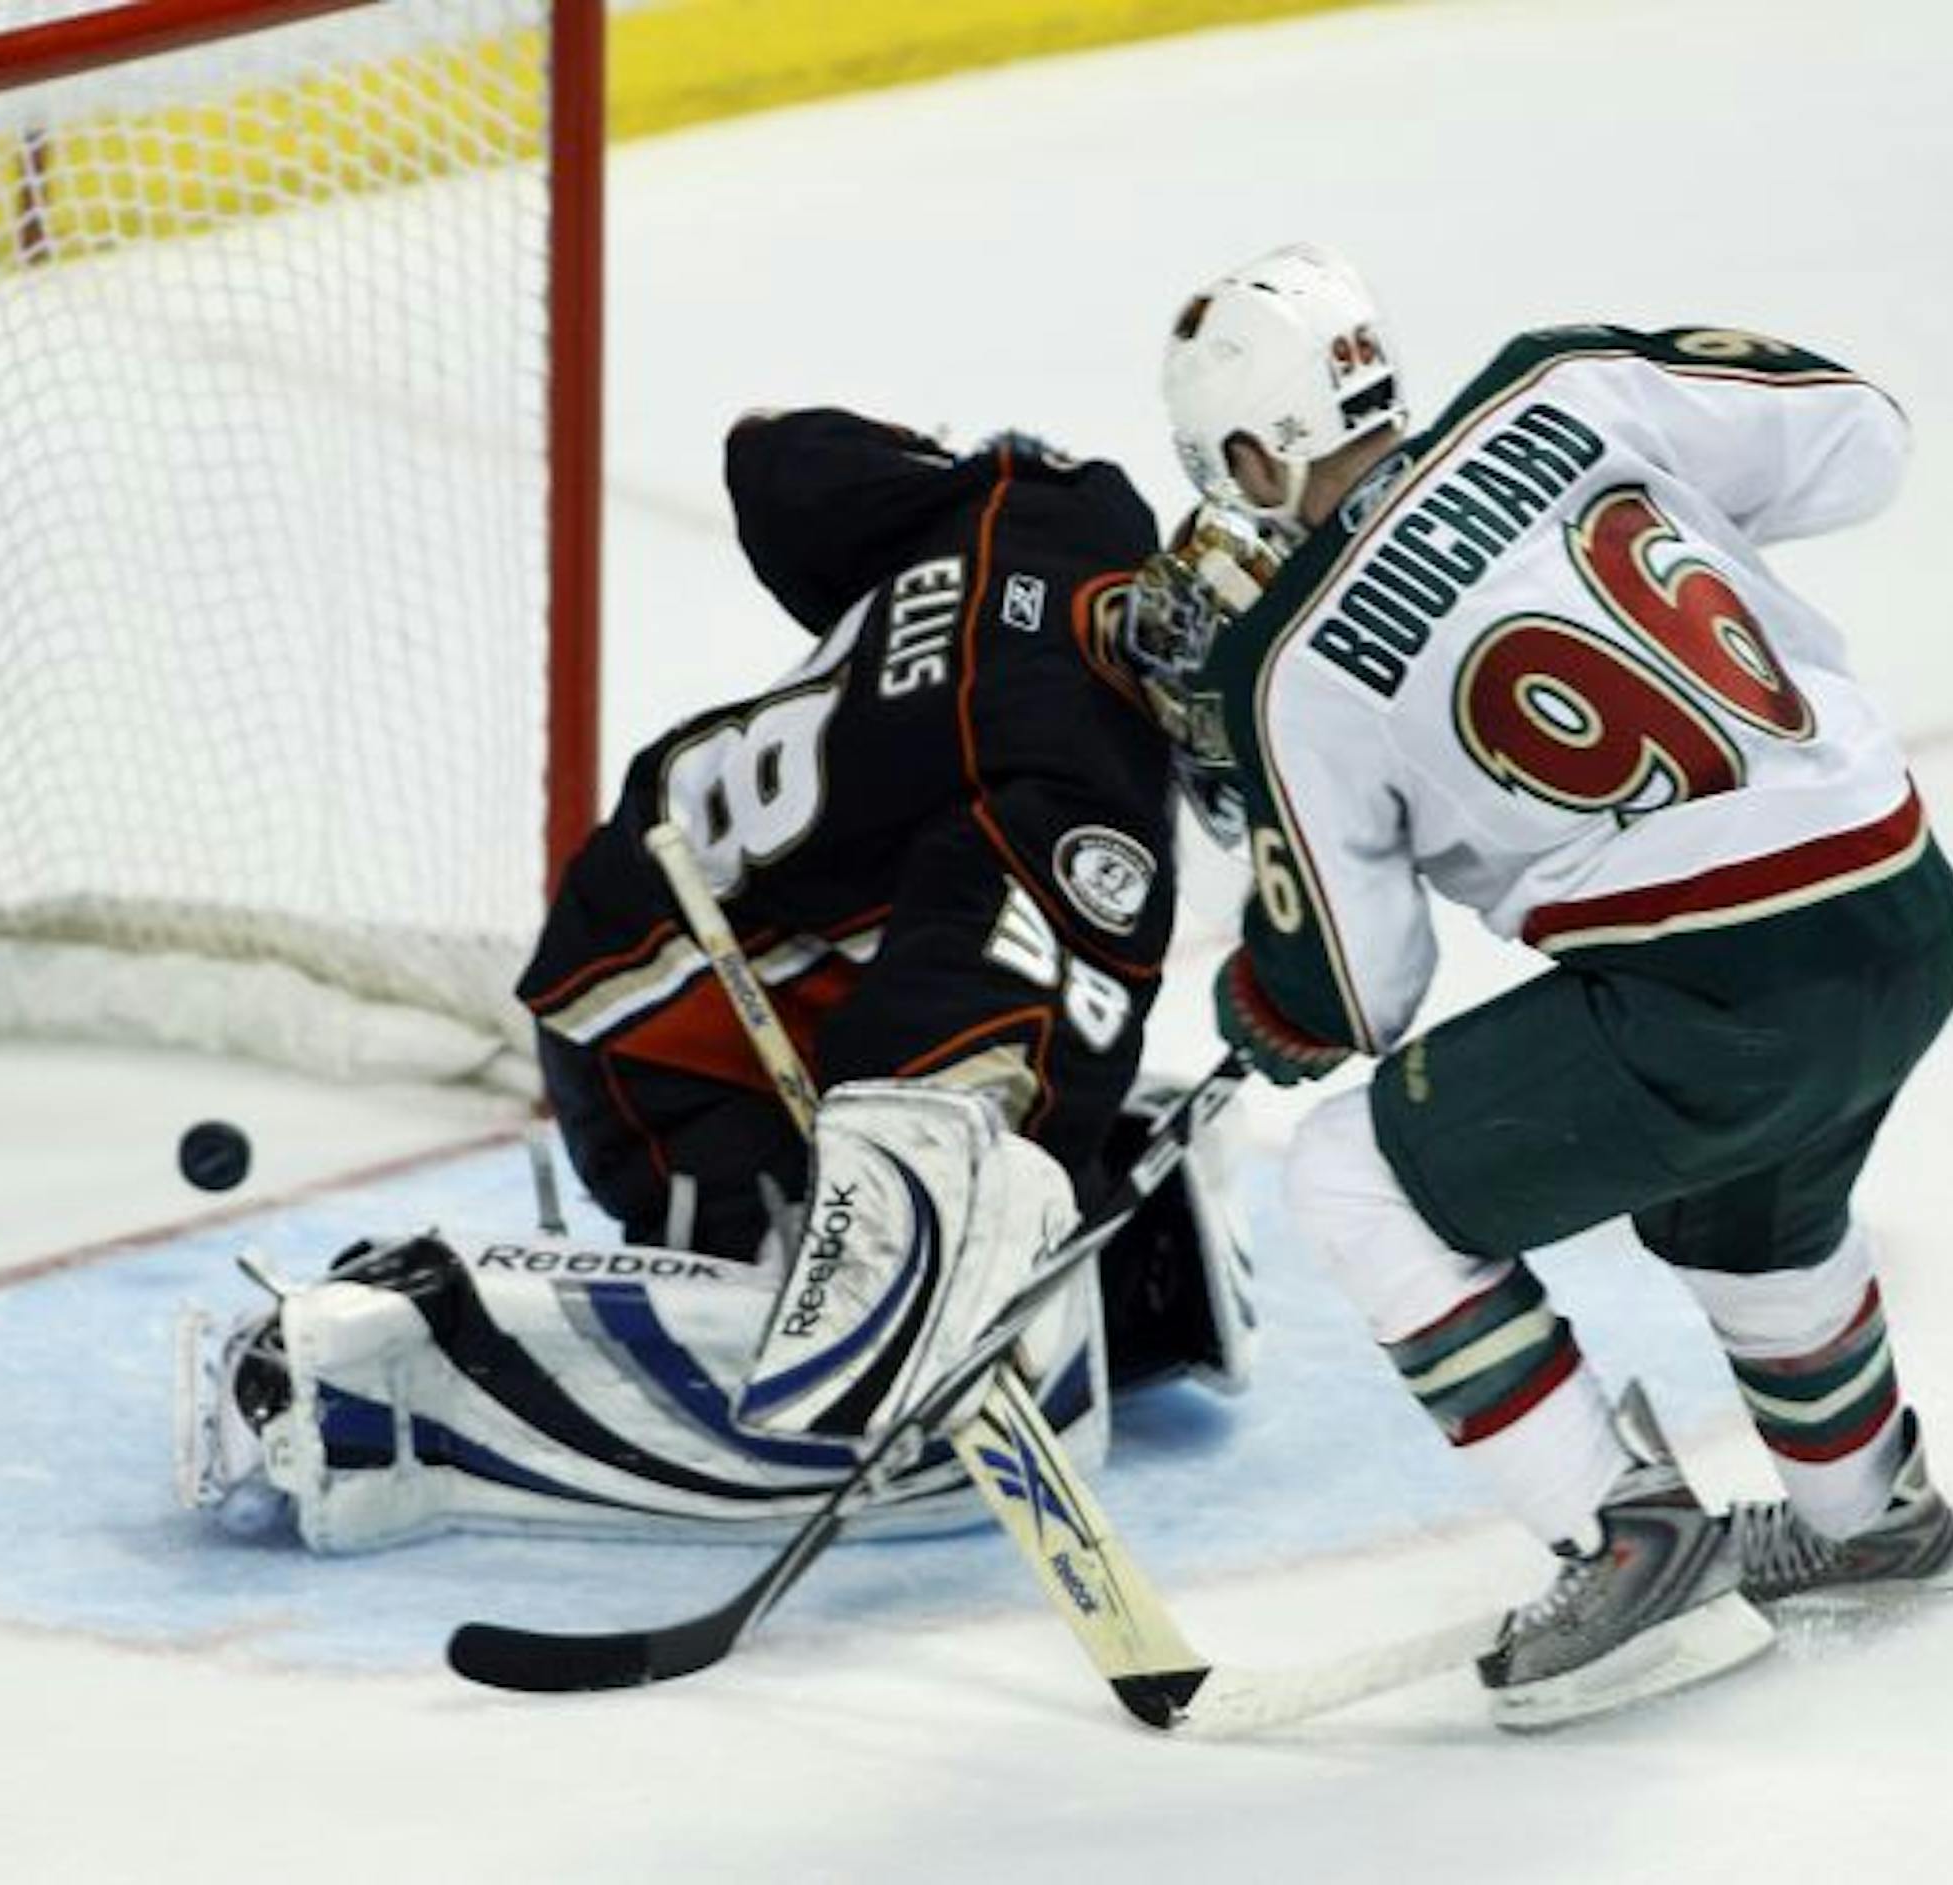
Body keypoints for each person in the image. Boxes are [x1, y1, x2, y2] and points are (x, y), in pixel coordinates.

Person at [1130, 243, 1953, 1729]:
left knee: (1354, 1178)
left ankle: (1625, 1534)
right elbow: (1862, 438)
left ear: (1258, 453)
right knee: (1745, 1209)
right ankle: (1866, 1522)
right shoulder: (1565, 382)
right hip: (1904, 910)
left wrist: (1268, 1002)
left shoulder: (1297, 662)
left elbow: (1355, 994)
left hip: (1721, 991)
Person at [177, 411, 1254, 1551]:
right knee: (827, 1342)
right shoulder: (1086, 804)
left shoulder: (1060, 511)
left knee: (1023, 1162)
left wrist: (944, 508)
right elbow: (943, 1050)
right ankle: (383, 1355)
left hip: (668, 876)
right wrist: (932, 1232)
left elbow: (777, 460)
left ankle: (1085, 1254)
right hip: (668, 1039)